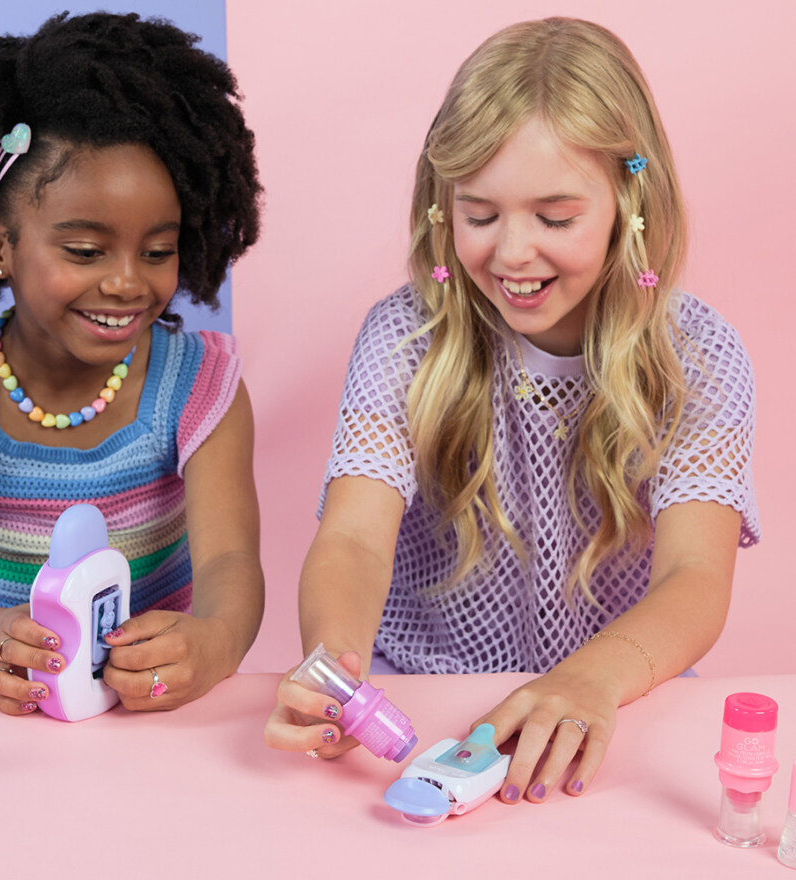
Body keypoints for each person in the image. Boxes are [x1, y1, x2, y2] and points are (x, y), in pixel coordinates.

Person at [265, 17, 758, 804]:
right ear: (442, 207)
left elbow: (695, 577)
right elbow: (354, 536)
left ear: (630, 201)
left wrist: (592, 680)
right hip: (423, 696)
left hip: (617, 696)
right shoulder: (405, 338)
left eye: (554, 218)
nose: (512, 252)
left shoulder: (695, 358)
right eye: (480, 214)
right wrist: (337, 667)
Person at [0, 12, 265, 714]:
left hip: (146, 718)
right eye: (86, 251)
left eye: (157, 251)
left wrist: (214, 642)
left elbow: (230, 563)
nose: (128, 282)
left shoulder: (198, 387)